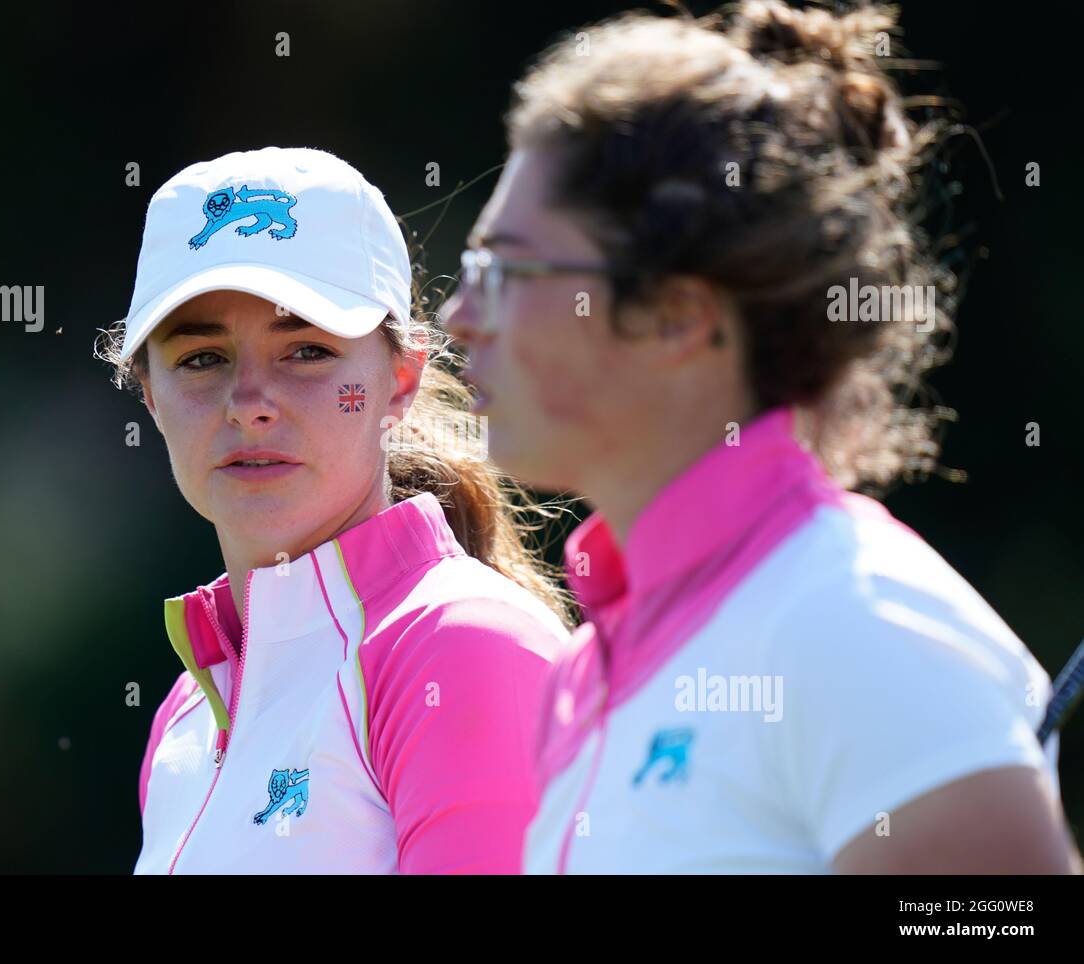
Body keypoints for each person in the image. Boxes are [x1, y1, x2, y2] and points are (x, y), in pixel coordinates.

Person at [443, 1, 1081, 873]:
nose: (457, 316)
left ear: (677, 316)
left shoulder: (860, 625)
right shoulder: (582, 673)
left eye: (507, 271)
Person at [97, 146, 571, 874]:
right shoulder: (184, 717)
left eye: (307, 351)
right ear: (151, 396)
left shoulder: (463, 645)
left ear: (402, 378)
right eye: (201, 359)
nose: (250, 404)